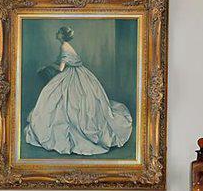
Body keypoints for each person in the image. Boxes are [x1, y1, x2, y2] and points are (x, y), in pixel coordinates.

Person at [24, 26, 133, 155]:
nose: (57, 34)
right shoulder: (67, 45)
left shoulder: (64, 46)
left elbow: (60, 69)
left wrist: (47, 67)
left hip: (71, 74)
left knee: (64, 100)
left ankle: (71, 131)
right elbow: (68, 61)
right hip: (79, 73)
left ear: (61, 35)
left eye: (58, 33)